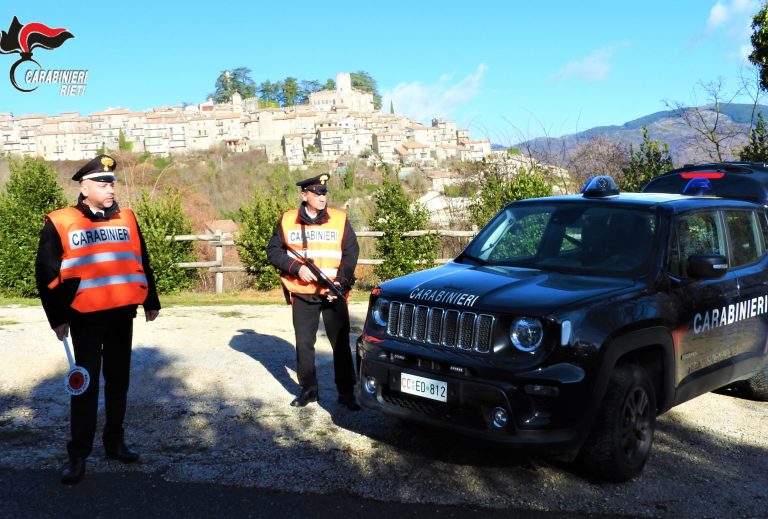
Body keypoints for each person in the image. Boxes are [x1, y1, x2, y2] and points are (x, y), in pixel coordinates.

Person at [35, 154, 161, 485]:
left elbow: (140, 259)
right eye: (103, 183)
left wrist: (151, 300)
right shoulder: (61, 221)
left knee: (119, 382)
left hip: (122, 314)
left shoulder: (128, 219)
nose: (110, 188)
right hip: (84, 318)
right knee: (85, 386)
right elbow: (46, 273)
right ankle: (78, 454)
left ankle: (114, 442)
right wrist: (56, 317)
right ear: (84, 186)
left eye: (112, 183)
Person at [266, 173, 360, 411]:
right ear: (304, 195)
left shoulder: (340, 218)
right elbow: (274, 251)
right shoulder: (287, 220)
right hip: (302, 292)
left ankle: (346, 393)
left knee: (340, 344)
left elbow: (351, 253)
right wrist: (295, 268)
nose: (321, 197)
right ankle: (308, 391)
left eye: (324, 192)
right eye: (316, 193)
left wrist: (340, 283)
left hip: (332, 292)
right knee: (304, 344)